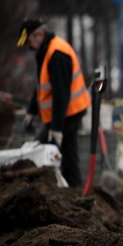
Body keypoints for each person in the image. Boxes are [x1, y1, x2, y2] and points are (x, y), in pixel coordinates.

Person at [17, 18, 91, 187]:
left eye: (30, 42)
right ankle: (72, 190)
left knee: (63, 154)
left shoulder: (57, 55)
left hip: (70, 113)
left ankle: (73, 192)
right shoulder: (45, 52)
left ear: (39, 35)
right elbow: (41, 88)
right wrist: (31, 112)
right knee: (62, 153)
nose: (29, 47)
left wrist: (56, 129)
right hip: (64, 114)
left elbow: (60, 95)